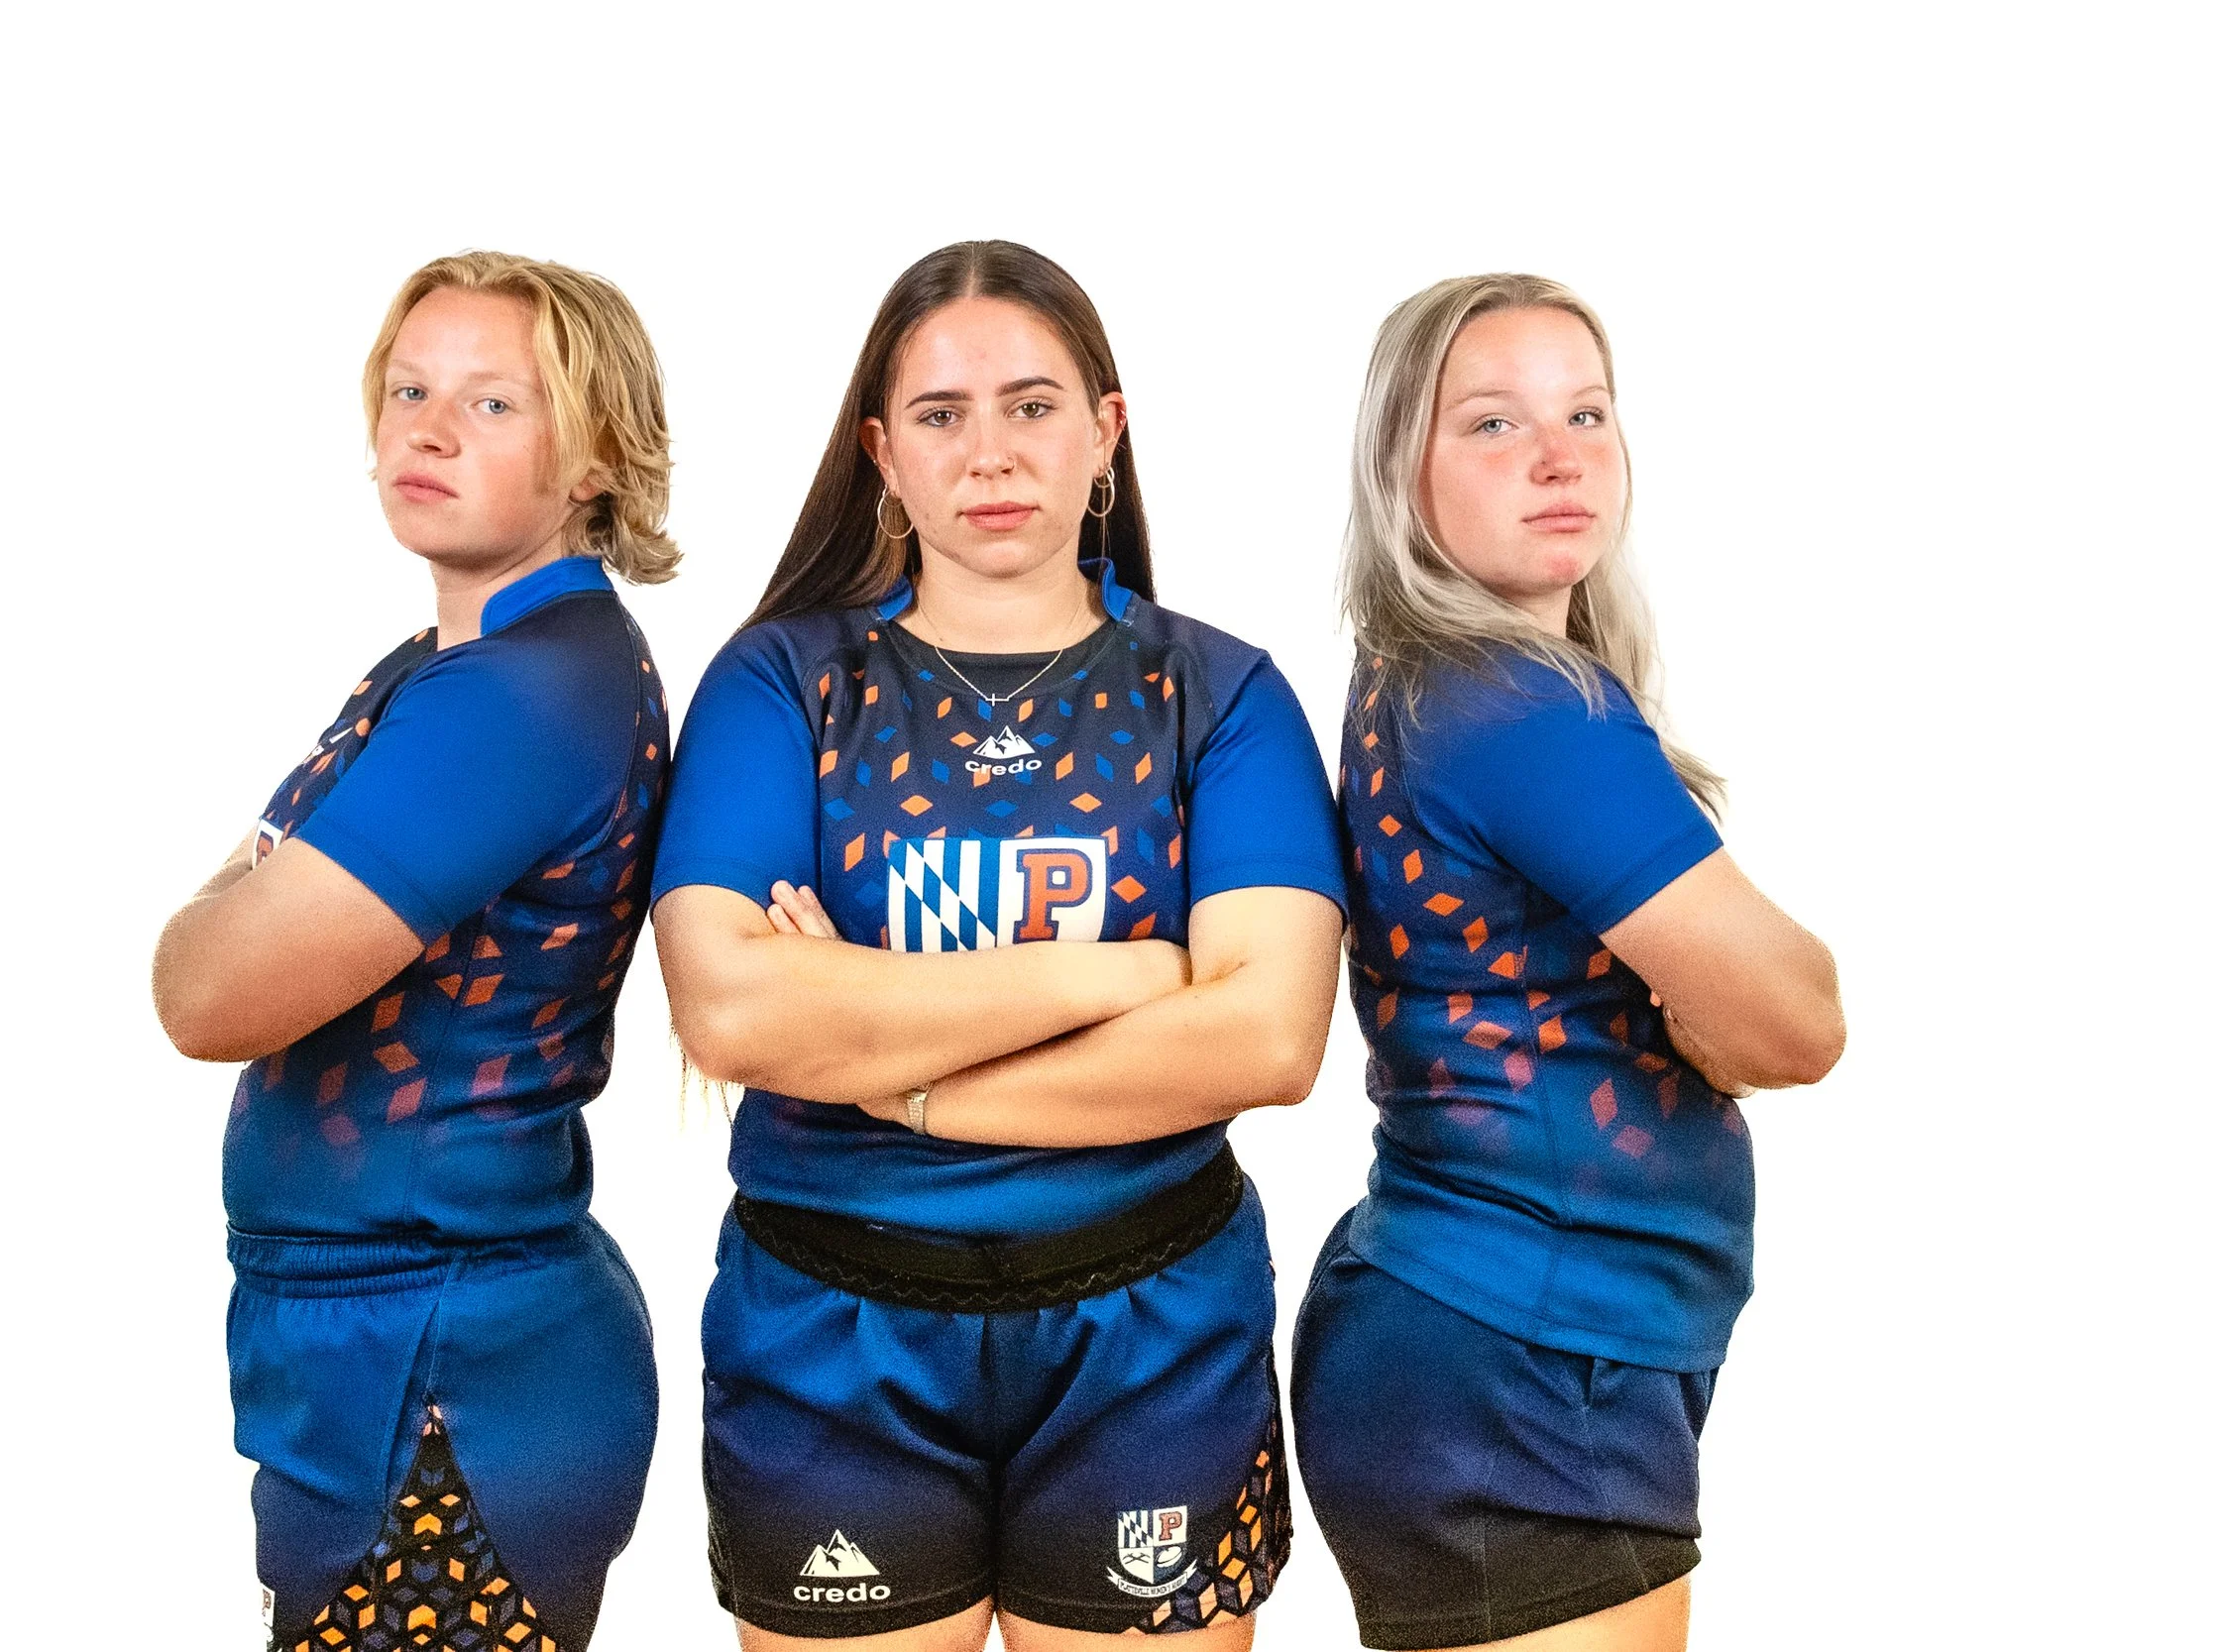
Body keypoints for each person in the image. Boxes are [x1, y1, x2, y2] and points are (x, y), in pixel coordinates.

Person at [650, 240, 1347, 1651]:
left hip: (1152, 1336)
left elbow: (1267, 1040)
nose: (991, 451)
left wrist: (878, 1057)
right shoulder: (781, 680)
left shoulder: (1220, 694)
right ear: (880, 455)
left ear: (1107, 430)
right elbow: (728, 1009)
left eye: (1033, 406)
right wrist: (1123, 973)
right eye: (941, 415)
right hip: (827, 1338)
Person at [1288, 275, 1847, 1651]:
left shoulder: (1431, 677)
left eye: (1586, 411)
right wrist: (1715, 1012)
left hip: (1509, 1347)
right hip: (1525, 1365)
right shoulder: (1520, 705)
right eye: (1491, 422)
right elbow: (1798, 1018)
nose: (1559, 454)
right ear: (1399, 474)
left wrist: (1707, 1001)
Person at [151, 251, 678, 1652]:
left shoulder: (517, 694)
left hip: (448, 1367)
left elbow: (206, 990)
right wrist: (257, 885)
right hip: (382, 1344)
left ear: (594, 459)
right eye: (409, 389)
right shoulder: (435, 667)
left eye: (494, 402)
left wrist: (247, 876)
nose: (427, 430)